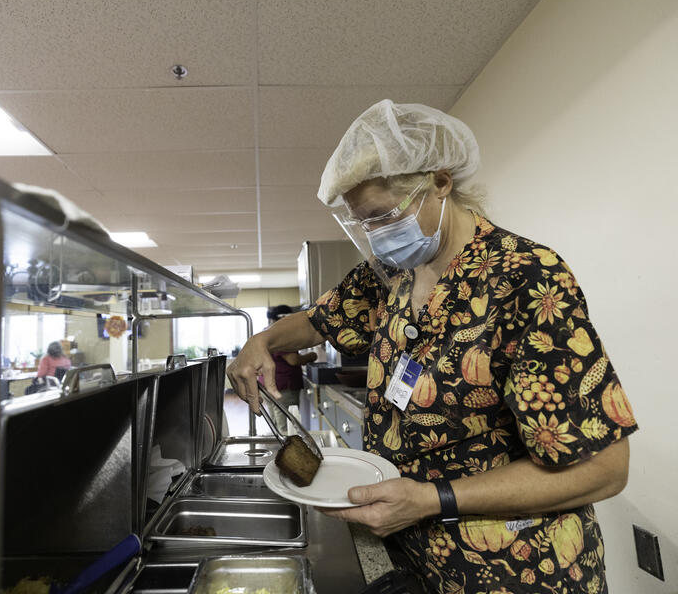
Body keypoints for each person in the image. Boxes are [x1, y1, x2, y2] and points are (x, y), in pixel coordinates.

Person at [227, 100, 636, 593]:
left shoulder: (525, 278)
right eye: (363, 224)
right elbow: (317, 320)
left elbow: (604, 470)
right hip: (417, 557)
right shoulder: (393, 275)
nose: (376, 236)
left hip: (520, 568)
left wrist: (430, 499)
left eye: (383, 216)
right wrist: (262, 340)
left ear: (440, 183)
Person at [259, 305, 317, 432]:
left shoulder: (266, 332)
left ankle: (279, 449)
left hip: (269, 385)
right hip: (283, 388)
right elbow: (293, 360)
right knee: (286, 427)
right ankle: (287, 451)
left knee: (276, 422)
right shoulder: (281, 335)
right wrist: (311, 356)